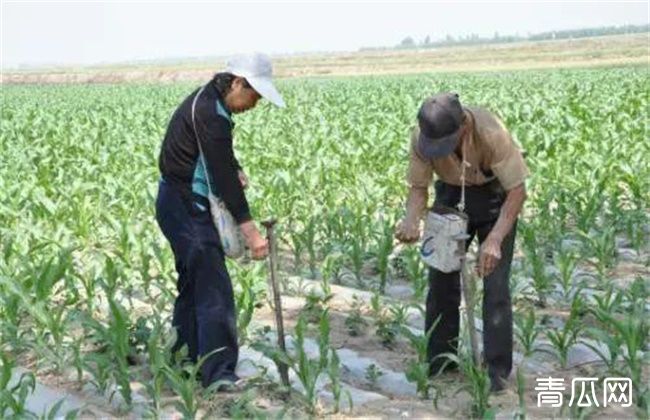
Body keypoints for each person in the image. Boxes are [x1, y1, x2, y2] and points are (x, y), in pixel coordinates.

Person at [155, 53, 285, 388]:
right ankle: (220, 376)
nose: (254, 104)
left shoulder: (208, 102)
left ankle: (185, 361)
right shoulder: (211, 113)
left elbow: (217, 156)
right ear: (238, 83)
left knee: (192, 284)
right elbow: (223, 179)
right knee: (214, 291)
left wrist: (234, 166)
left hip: (173, 202)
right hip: (186, 207)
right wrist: (253, 234)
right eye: (254, 95)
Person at [395, 92, 528, 392]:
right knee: (441, 281)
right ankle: (441, 363)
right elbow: (418, 188)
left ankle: (496, 373)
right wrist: (411, 220)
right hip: (450, 198)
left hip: (496, 200)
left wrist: (494, 239)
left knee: (495, 286)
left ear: (464, 126)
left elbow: (518, 192)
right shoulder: (422, 137)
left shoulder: (491, 132)